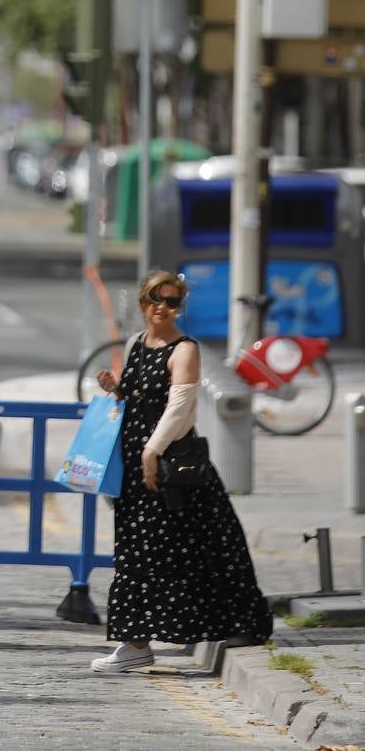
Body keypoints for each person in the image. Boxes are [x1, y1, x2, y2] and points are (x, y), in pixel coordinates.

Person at [90, 270, 271, 674]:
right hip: (137, 464)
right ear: (143, 302)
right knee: (139, 552)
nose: (163, 308)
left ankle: (241, 623)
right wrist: (114, 388)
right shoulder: (137, 343)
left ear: (179, 306)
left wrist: (152, 451)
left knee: (203, 549)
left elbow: (179, 409)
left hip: (171, 466)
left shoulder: (184, 349)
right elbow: (138, 396)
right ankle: (136, 642)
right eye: (156, 298)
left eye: (171, 301)